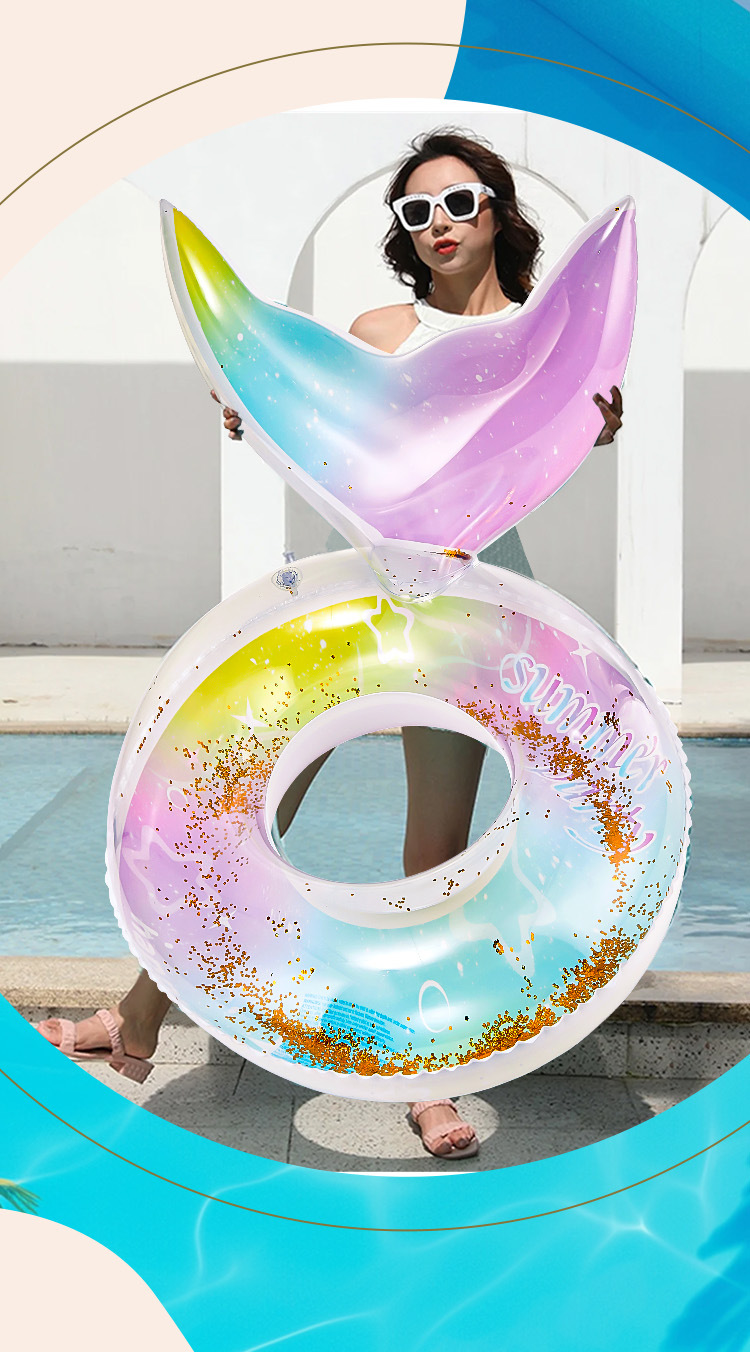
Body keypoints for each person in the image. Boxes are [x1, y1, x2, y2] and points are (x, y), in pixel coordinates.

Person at [37, 128, 622, 1161]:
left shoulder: (548, 336)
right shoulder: (377, 330)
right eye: (416, 212)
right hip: (359, 589)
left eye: (459, 201)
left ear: (497, 209)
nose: (439, 224)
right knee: (240, 804)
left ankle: (428, 1082)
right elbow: (326, 432)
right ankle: (136, 1021)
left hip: (472, 601)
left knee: (434, 854)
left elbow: (549, 439)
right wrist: (257, 418)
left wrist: (596, 423)